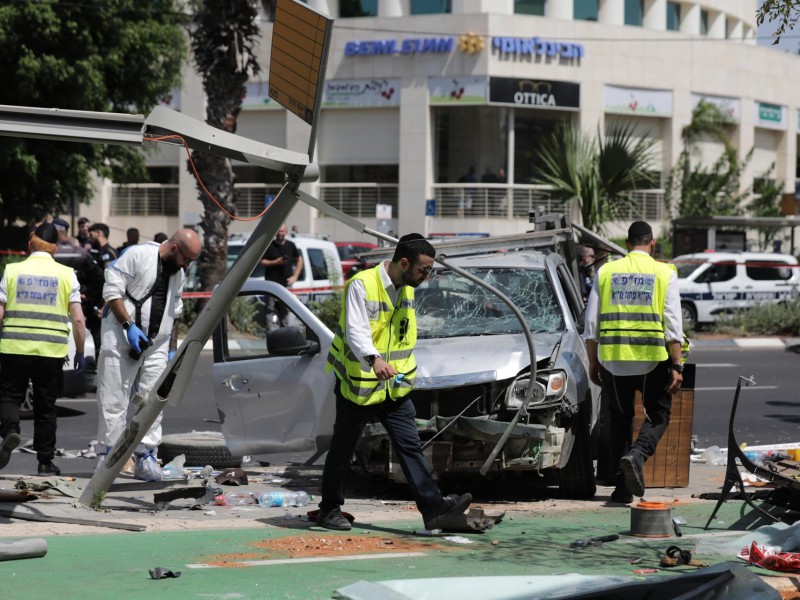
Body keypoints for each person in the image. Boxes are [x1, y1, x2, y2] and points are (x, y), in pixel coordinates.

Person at [317, 233, 473, 532]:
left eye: (430, 271)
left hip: (394, 386)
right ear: (404, 262)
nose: (426, 277)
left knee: (410, 447)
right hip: (359, 386)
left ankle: (435, 511)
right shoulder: (362, 284)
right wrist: (374, 360)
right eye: (423, 270)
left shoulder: (408, 289)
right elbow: (357, 331)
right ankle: (329, 509)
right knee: (343, 449)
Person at [583, 221, 683, 504]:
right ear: (652, 244)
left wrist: (594, 362)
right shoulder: (664, 273)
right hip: (652, 359)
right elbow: (673, 324)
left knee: (619, 420)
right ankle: (636, 455)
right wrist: (677, 364)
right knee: (658, 415)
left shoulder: (607, 271)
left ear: (627, 244)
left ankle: (622, 488)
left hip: (614, 359)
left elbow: (591, 323)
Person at [95, 229, 200, 478]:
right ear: (174, 249)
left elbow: (175, 311)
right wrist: (129, 326)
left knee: (152, 402)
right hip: (121, 338)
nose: (187, 265)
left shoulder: (179, 273)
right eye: (187, 259)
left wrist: (171, 349)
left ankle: (146, 457)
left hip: (156, 344)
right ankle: (108, 457)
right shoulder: (138, 255)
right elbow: (112, 292)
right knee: (114, 399)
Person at [0, 223, 86, 476]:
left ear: (30, 244)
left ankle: (10, 431)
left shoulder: (13, 270)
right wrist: (80, 352)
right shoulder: (67, 274)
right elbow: (79, 320)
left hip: (15, 347)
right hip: (51, 352)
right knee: (46, 407)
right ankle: (45, 462)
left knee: (8, 396)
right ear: (55, 249)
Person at [53, 219, 105, 361]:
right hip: (79, 302)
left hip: (54, 303)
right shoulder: (81, 252)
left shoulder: (49, 252)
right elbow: (100, 277)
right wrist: (86, 294)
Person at [259, 223, 303, 328]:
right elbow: (262, 262)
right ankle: (271, 331)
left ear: (286, 232)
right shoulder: (269, 245)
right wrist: (276, 262)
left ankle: (286, 331)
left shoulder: (290, 245)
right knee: (270, 308)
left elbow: (300, 259)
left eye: (282, 231)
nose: (280, 233)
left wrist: (295, 276)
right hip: (271, 283)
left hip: (286, 283)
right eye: (278, 231)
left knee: (286, 308)